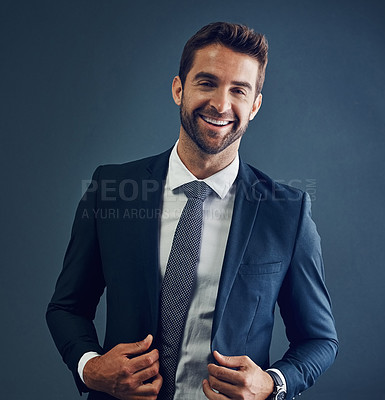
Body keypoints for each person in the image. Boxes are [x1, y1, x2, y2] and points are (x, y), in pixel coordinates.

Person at [47, 22, 338, 400]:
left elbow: (320, 339)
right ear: (178, 89)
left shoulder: (287, 212)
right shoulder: (111, 190)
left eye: (239, 90)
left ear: (255, 105)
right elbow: (66, 308)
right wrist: (91, 368)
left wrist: (272, 384)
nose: (221, 104)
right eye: (207, 83)